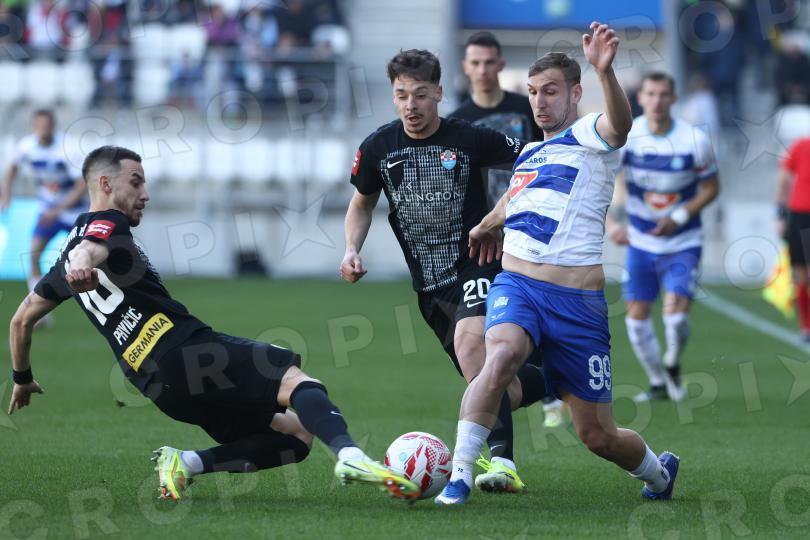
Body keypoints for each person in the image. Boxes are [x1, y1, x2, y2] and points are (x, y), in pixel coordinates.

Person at [7, 146, 420, 502]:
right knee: (297, 382)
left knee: (295, 438)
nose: (145, 193)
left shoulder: (60, 261)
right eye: (136, 182)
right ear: (105, 184)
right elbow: (91, 248)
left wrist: (21, 378)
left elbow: (20, 321)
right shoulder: (107, 223)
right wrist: (82, 265)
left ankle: (185, 462)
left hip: (156, 386)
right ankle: (350, 456)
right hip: (184, 351)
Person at [436, 23, 679, 506]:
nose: (539, 101)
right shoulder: (529, 152)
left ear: (575, 93)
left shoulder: (589, 134)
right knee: (499, 356)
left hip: (578, 306)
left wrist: (605, 71)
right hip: (518, 285)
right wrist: (488, 223)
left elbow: (620, 125)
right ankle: (458, 475)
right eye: (532, 92)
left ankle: (658, 473)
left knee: (598, 435)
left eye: (550, 91)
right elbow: (516, 195)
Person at [341, 49, 547, 494]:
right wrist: (351, 248)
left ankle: (502, 464)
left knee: (473, 349)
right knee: (498, 388)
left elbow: (534, 161)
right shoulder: (378, 148)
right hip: (430, 287)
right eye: (401, 95)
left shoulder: (469, 138)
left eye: (419, 94)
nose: (410, 105)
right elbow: (361, 204)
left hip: (478, 264)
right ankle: (554, 381)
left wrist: (499, 217)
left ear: (438, 93)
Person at [450, 32, 566, 428]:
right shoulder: (459, 121)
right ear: (465, 67)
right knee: (498, 318)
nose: (482, 69)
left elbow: (547, 156)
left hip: (532, 225)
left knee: (541, 306)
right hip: (486, 235)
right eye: (475, 62)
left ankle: (550, 387)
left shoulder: (525, 109)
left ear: (500, 65)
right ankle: (525, 388)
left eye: (489, 62)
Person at [606, 72, 720, 402]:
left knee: (676, 317)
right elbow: (602, 182)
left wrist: (679, 217)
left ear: (673, 98)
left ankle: (672, 360)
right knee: (636, 320)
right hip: (641, 243)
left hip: (683, 242)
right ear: (640, 98)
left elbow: (712, 188)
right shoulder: (628, 137)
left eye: (663, 94)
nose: (657, 101)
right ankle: (658, 382)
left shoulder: (694, 140)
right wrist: (612, 224)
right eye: (651, 94)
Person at [1, 109, 87, 319]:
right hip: (48, 211)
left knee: (91, 259)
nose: (43, 129)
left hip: (76, 213)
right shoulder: (27, 146)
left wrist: (58, 210)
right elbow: (12, 167)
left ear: (53, 126)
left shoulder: (66, 148)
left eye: (46, 125)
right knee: (33, 255)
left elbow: (81, 185)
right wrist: (6, 194)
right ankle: (38, 313)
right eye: (39, 125)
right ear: (34, 127)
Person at [776, 135, 810, 340]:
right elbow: (784, 177)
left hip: (800, 215)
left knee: (802, 274)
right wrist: (780, 213)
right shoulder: (801, 145)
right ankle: (806, 326)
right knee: (801, 273)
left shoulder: (800, 145)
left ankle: (806, 327)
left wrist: (780, 214)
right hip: (800, 215)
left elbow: (784, 178)